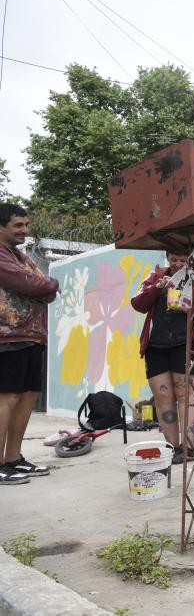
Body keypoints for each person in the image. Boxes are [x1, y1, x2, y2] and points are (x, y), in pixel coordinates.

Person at [131, 250, 194, 465]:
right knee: (163, 398)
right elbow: (137, 303)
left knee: (186, 396)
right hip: (156, 346)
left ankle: (188, 448)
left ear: (190, 260)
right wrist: (157, 288)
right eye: (174, 259)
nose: (178, 264)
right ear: (167, 258)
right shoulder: (155, 277)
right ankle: (173, 447)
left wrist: (189, 305)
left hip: (187, 345)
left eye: (182, 260)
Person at [0, 203, 59, 485]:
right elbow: (35, 285)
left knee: (26, 396)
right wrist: (46, 284)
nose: (25, 230)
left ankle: (13, 459)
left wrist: (44, 285)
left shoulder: (21, 256)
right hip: (6, 337)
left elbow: (44, 289)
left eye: (26, 224)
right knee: (6, 398)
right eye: (18, 226)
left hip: (31, 334)